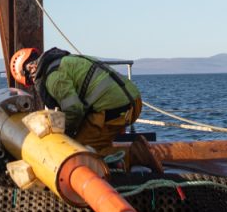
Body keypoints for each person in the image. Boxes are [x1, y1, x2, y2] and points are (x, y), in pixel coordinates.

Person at [8, 47, 142, 155]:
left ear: (30, 69)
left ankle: (136, 155)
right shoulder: (64, 61)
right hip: (133, 101)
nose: (33, 83)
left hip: (116, 110)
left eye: (30, 81)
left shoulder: (53, 78)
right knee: (93, 140)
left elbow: (74, 109)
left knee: (79, 151)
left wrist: (66, 134)